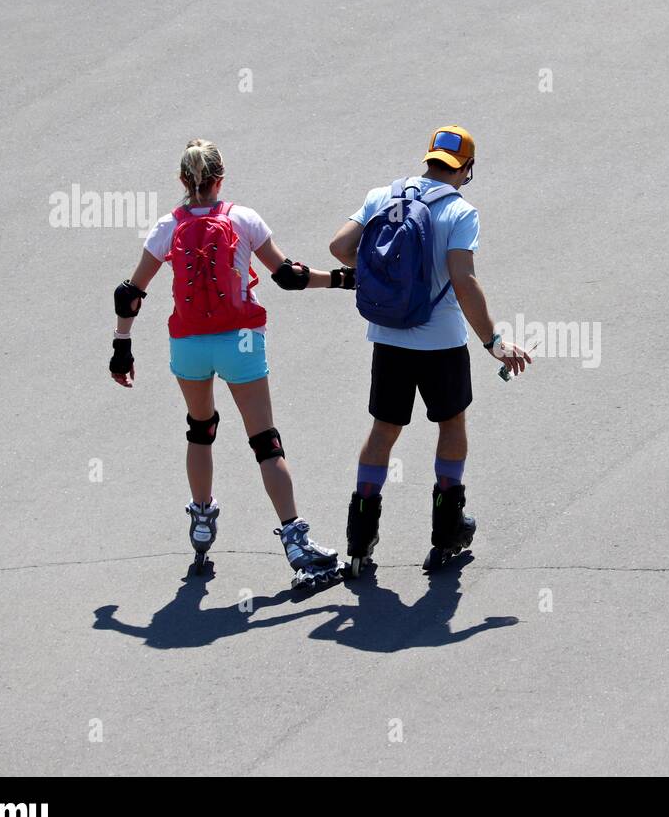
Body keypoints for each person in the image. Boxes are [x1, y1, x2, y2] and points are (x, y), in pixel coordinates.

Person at [110, 139, 344, 588]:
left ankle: (201, 520)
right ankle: (296, 541)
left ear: (182, 181)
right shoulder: (243, 217)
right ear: (221, 178)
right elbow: (288, 277)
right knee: (265, 441)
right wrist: (341, 279)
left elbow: (129, 292)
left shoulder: (167, 226)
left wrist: (122, 345)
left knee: (201, 429)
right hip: (240, 341)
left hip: (189, 345)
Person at [328, 126, 531, 576]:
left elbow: (340, 247)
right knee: (451, 423)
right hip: (440, 342)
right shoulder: (460, 211)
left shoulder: (384, 195)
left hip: (389, 337)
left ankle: (360, 541)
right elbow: (464, 280)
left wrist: (386, 276)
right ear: (468, 170)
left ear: (428, 159)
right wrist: (494, 342)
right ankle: (447, 532)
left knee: (383, 430)